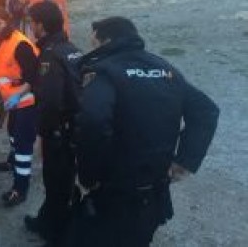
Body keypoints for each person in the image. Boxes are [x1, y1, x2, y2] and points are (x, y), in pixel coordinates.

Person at [63, 17, 219, 247]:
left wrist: (88, 174)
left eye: (94, 43)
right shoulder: (166, 69)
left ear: (106, 41)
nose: (92, 48)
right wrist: (184, 161)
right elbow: (206, 111)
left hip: (115, 189)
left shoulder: (105, 71)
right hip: (154, 190)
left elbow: (93, 120)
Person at [23, 1, 83, 246]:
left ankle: (56, 235)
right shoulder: (70, 48)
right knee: (60, 183)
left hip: (60, 133)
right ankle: (45, 220)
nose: (30, 28)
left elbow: (51, 102)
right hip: (73, 129)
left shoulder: (50, 55)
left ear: (41, 25)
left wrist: (43, 134)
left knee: (57, 184)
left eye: (32, 23)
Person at [0, 6, 39, 206]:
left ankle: (20, 188)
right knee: (13, 131)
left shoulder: (20, 44)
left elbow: (34, 76)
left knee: (23, 142)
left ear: (8, 23)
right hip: (11, 99)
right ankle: (12, 161)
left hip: (27, 100)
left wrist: (18, 95)